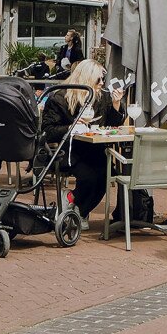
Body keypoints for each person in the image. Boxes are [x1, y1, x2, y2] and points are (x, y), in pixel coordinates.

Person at [41, 60, 124, 219]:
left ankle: (78, 210)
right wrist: (71, 127)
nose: (102, 83)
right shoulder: (60, 98)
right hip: (68, 151)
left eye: (103, 79)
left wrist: (116, 104)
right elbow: (48, 131)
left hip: (95, 151)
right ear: (86, 78)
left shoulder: (103, 96)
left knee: (104, 177)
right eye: (98, 79)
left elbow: (113, 124)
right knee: (89, 178)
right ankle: (77, 210)